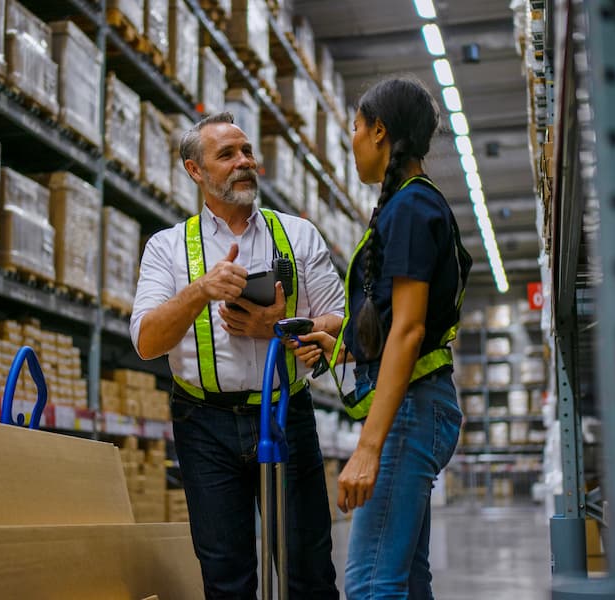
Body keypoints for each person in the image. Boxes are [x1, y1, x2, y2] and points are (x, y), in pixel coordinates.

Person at [129, 111, 343, 599]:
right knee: (225, 574)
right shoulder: (167, 249)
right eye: (226, 154)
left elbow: (338, 322)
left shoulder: (298, 235)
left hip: (286, 412)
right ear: (195, 171)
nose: (243, 161)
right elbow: (146, 341)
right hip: (204, 422)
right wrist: (198, 291)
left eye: (246, 152)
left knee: (308, 570)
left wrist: (277, 326)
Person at [294, 78, 472, 599]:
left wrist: (368, 447)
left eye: (354, 127)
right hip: (417, 408)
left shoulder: (412, 210)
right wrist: (340, 347)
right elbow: (394, 325)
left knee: (371, 584)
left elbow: (411, 331)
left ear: (379, 131)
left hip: (411, 412)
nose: (350, 140)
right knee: (406, 581)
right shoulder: (405, 207)